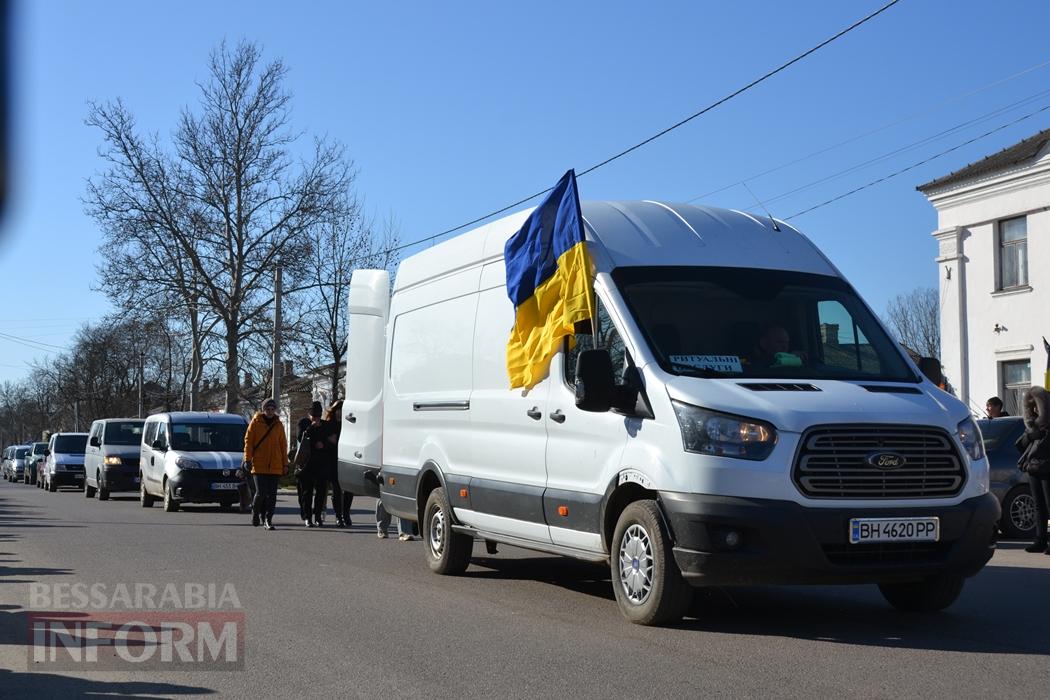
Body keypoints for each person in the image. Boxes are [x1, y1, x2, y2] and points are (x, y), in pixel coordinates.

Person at [244, 398, 288, 531]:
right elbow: (249, 442)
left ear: (275, 410)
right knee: (261, 492)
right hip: (259, 464)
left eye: (272, 409)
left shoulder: (278, 425)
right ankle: (255, 512)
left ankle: (268, 520)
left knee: (272, 495)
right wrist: (247, 459)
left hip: (275, 465)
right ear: (263, 410)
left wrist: (285, 464)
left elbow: (283, 446)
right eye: (267, 409)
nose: (270, 411)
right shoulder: (256, 423)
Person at [1016, 385, 1050, 554]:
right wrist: (1030, 434)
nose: (1034, 408)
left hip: (1047, 468)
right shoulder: (1032, 425)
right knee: (1038, 506)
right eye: (1031, 406)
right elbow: (1021, 445)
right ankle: (1040, 540)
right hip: (1034, 469)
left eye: (1037, 404)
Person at [296, 402, 325, 527]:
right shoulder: (303, 423)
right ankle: (308, 517)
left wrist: (324, 444)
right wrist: (312, 427)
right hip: (306, 464)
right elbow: (300, 438)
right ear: (309, 414)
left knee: (321, 492)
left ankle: (318, 516)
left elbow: (328, 440)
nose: (316, 418)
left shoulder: (324, 425)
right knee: (306, 493)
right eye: (313, 416)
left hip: (321, 464)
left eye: (318, 416)